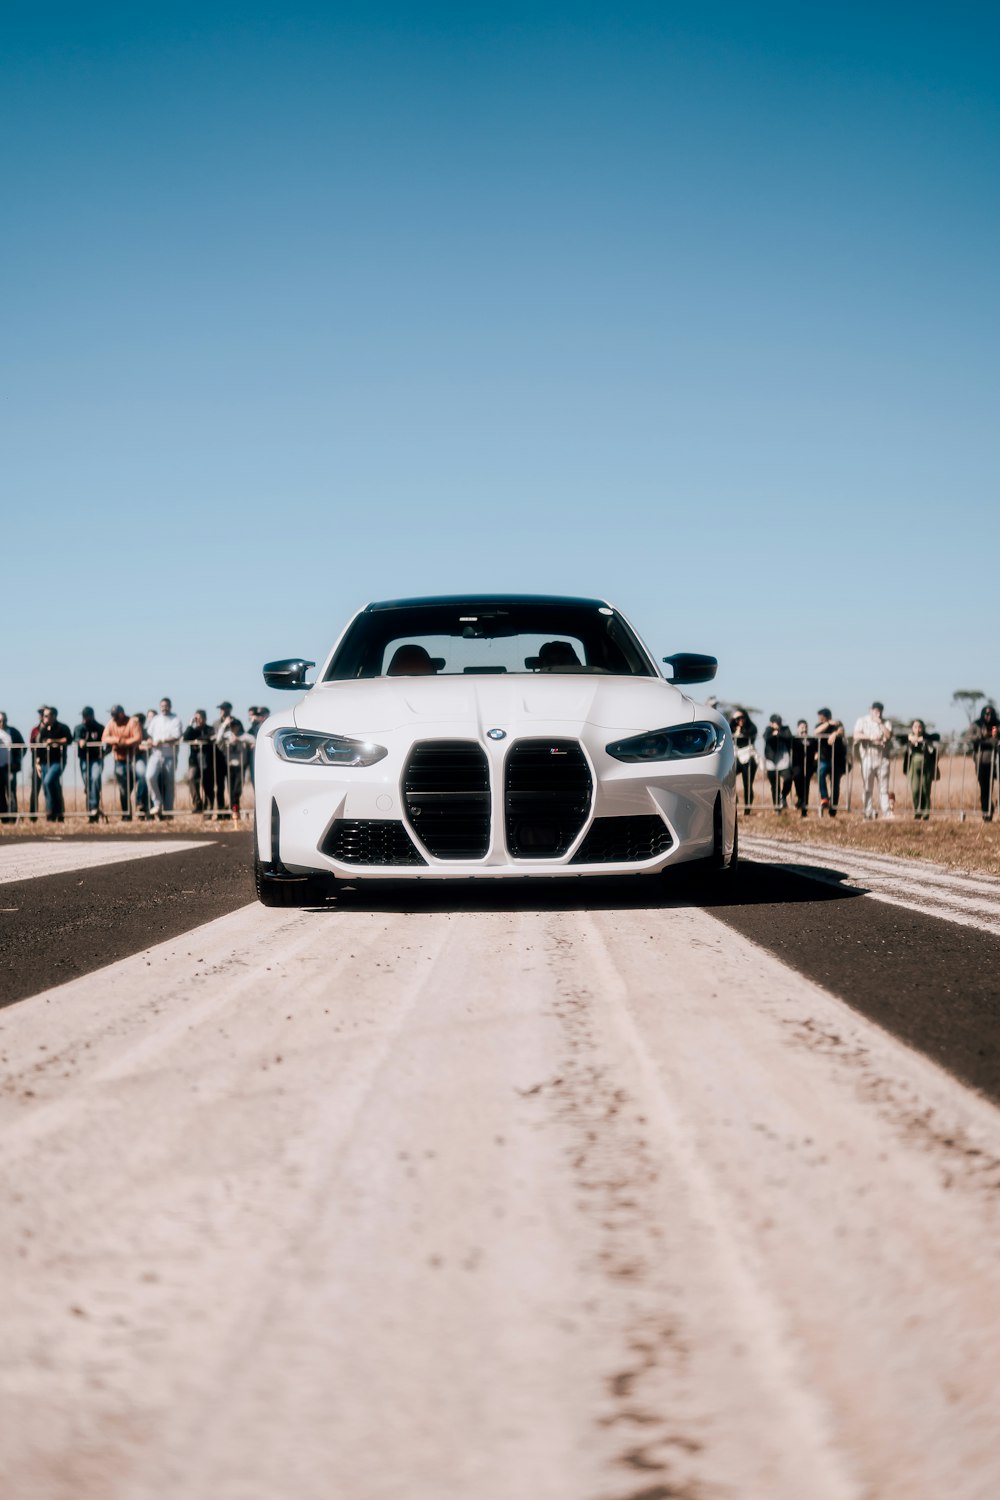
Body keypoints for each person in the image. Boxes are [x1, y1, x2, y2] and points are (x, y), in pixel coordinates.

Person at [853, 700, 894, 820]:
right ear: (871, 710)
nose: (878, 713)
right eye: (875, 710)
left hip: (883, 759)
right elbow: (856, 735)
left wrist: (880, 724)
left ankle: (887, 812)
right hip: (867, 758)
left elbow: (889, 735)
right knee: (867, 787)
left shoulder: (886, 722)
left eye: (880, 711)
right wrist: (870, 738)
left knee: (884, 788)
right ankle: (867, 811)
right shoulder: (862, 721)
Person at [102, 705, 143, 819]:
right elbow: (104, 738)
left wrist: (125, 743)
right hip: (119, 760)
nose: (113, 718)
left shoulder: (132, 722)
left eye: (115, 715)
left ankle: (141, 804)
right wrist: (117, 740)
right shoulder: (111, 723)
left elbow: (137, 738)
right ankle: (126, 814)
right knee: (123, 789)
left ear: (121, 714)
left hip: (134, 758)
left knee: (143, 777)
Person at [145, 697, 184, 820]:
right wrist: (150, 741)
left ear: (170, 706)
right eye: (162, 706)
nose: (164, 708)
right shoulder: (156, 720)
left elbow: (176, 736)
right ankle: (157, 803)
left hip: (169, 756)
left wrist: (162, 741)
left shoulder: (176, 720)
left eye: (166, 706)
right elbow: (149, 735)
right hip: (156, 754)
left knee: (169, 784)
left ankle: (168, 812)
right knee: (150, 776)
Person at [35, 706, 72, 822]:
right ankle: (54, 815)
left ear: (53, 716)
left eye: (46, 715)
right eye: (43, 716)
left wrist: (54, 741)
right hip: (45, 762)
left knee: (48, 782)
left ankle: (53, 811)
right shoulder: (43, 730)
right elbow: (39, 747)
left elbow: (69, 739)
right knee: (50, 787)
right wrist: (37, 762)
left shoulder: (62, 727)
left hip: (57, 762)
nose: (44, 718)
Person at [966, 704, 1000, 822]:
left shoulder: (997, 724)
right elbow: (968, 737)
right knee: (984, 788)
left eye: (990, 714)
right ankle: (987, 813)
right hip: (981, 761)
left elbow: (996, 741)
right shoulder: (977, 724)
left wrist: (996, 736)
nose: (988, 717)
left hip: (995, 761)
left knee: (990, 787)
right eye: (986, 714)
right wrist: (981, 735)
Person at [215, 710, 250, 822]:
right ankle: (233, 810)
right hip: (230, 767)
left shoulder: (243, 735)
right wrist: (224, 725)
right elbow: (218, 739)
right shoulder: (227, 735)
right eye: (232, 726)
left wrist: (239, 739)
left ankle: (234, 809)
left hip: (240, 767)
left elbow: (252, 738)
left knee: (237, 790)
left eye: (236, 725)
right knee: (231, 790)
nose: (234, 728)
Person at [73, 707, 107, 823]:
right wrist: (79, 741)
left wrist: (104, 753)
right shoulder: (79, 728)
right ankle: (92, 812)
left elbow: (108, 741)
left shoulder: (100, 727)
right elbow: (76, 738)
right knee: (89, 784)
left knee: (95, 779)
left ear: (91, 716)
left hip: (96, 760)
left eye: (86, 716)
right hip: (84, 759)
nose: (84, 718)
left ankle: (93, 808)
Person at [813, 708, 847, 816]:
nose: (820, 719)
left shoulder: (837, 724)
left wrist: (835, 733)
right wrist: (827, 724)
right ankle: (824, 798)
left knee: (835, 784)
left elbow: (842, 730)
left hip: (837, 759)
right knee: (820, 773)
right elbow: (816, 732)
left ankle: (833, 809)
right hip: (824, 758)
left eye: (821, 717)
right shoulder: (820, 725)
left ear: (826, 716)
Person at [903, 720, 938, 820]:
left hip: (926, 767)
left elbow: (936, 736)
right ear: (912, 728)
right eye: (915, 727)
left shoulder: (927, 738)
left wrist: (923, 739)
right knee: (915, 790)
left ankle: (925, 813)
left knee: (925, 790)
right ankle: (917, 811)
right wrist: (910, 738)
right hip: (913, 767)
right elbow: (899, 738)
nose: (917, 729)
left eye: (919, 727)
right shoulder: (909, 738)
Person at [183, 710, 214, 813]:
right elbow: (186, 737)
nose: (198, 720)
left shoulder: (209, 729)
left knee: (208, 784)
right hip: (194, 761)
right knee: (191, 778)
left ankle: (209, 808)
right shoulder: (193, 730)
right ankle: (197, 803)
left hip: (207, 761)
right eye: (196, 718)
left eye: (199, 718)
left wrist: (198, 740)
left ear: (204, 718)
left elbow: (210, 737)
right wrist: (190, 724)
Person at [729, 710, 759, 814]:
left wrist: (741, 732)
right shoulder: (732, 727)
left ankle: (747, 809)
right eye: (737, 719)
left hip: (749, 758)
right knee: (729, 780)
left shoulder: (751, 727)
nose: (740, 720)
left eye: (742, 718)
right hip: (737, 757)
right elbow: (729, 734)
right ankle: (734, 801)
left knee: (747, 784)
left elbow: (752, 734)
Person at [762, 714, 794, 811]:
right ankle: (777, 808)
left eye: (780, 722)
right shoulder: (768, 730)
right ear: (771, 723)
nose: (779, 724)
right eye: (777, 722)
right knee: (775, 786)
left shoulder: (785, 729)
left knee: (788, 779)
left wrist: (779, 733)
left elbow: (789, 737)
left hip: (784, 761)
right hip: (771, 762)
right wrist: (773, 734)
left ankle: (783, 796)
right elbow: (766, 738)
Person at [211, 701, 235, 817]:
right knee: (219, 786)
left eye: (223, 709)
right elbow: (215, 738)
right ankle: (221, 811)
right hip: (219, 758)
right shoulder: (216, 723)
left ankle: (233, 810)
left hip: (233, 758)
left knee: (233, 786)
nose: (221, 711)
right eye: (220, 709)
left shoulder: (236, 722)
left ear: (229, 710)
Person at [790, 719, 816, 817]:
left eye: (805, 727)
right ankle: (800, 799)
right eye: (802, 727)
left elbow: (816, 750)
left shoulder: (811, 739)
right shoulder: (794, 739)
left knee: (806, 787)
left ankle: (804, 810)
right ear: (797, 728)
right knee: (797, 778)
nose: (804, 729)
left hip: (808, 766)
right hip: (797, 765)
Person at [28, 706, 46, 820]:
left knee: (52, 788)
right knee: (35, 790)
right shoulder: (35, 730)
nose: (41, 716)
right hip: (36, 763)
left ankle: (56, 815)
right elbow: (31, 746)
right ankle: (33, 816)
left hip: (49, 762)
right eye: (40, 713)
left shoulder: (52, 729)